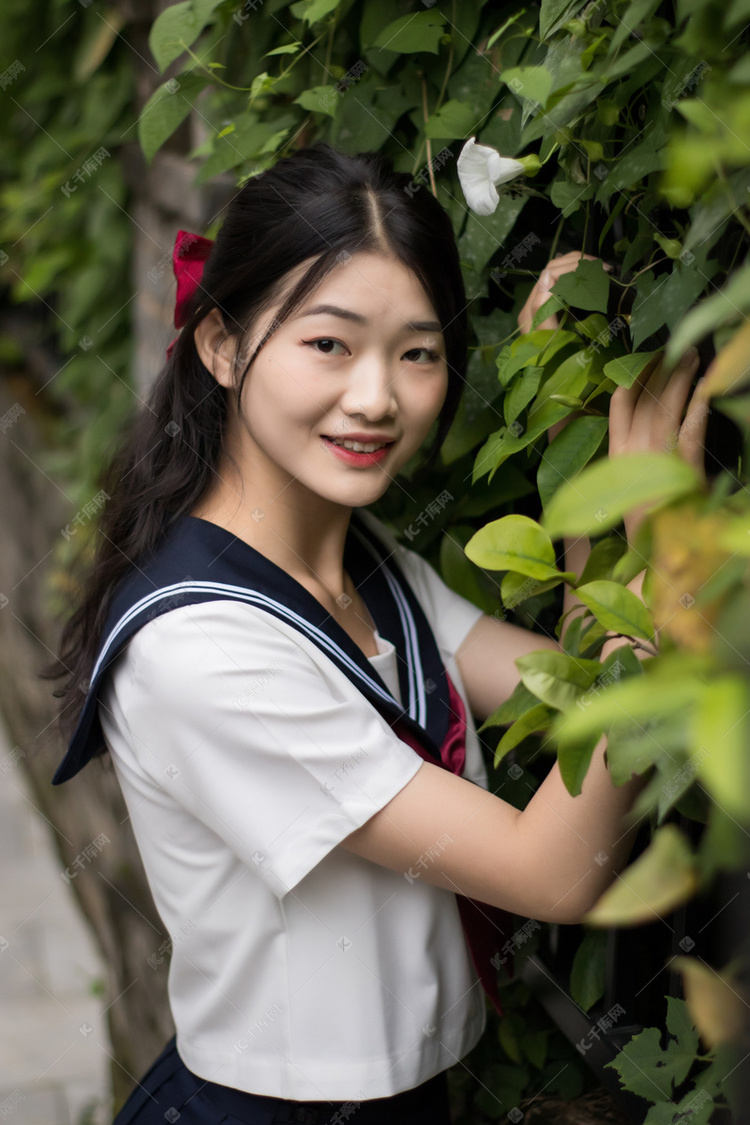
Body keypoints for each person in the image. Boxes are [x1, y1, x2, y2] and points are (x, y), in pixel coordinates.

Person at [47, 142, 708, 1124]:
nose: (375, 397)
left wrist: (582, 474)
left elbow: (575, 693)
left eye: (418, 352)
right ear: (221, 345)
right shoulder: (203, 651)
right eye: (330, 343)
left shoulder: (366, 562)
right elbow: (554, 866)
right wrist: (666, 559)